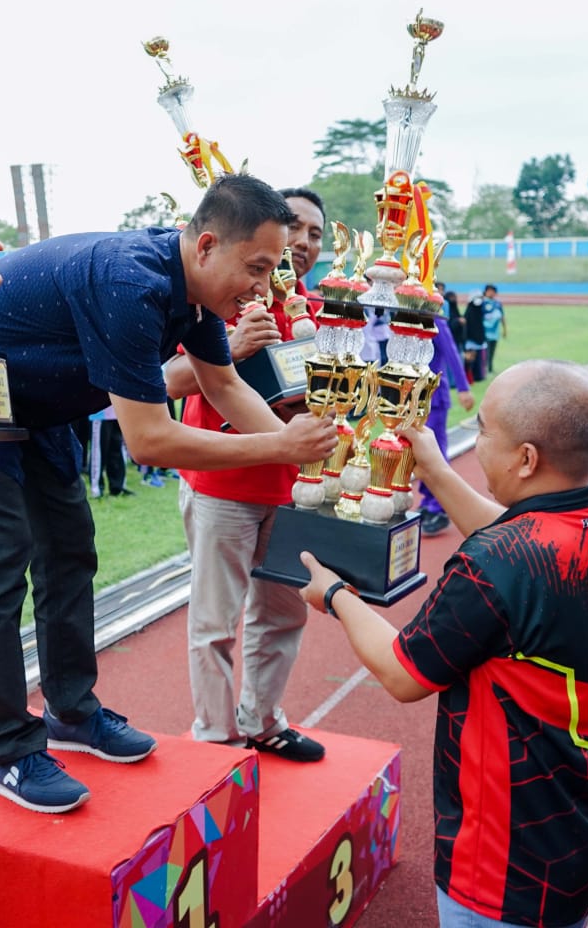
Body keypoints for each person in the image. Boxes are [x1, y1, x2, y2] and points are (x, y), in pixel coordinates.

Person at [0, 174, 336, 814]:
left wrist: (305, 454)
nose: (264, 287)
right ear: (205, 247)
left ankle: (72, 712)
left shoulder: (193, 297)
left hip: (35, 408)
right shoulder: (132, 282)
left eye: (272, 269)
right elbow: (149, 440)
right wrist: (282, 447)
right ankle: (6, 748)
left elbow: (223, 388)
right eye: (256, 267)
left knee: (70, 553)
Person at [298, 359, 588, 928]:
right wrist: (434, 467)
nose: (474, 441)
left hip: (501, 860)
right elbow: (514, 532)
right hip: (581, 824)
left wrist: (334, 592)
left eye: (482, 431)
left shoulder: (493, 566)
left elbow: (403, 672)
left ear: (526, 459)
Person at [163, 186, 328, 762]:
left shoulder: (319, 314)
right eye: (296, 230)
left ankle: (262, 719)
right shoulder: (219, 292)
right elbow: (165, 381)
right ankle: (213, 733)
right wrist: (228, 347)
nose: (303, 244)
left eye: (315, 235)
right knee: (215, 618)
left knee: (282, 613)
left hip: (291, 488)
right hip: (223, 486)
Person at [416, 288, 474, 536]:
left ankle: (439, 507)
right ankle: (428, 501)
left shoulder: (436, 321)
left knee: (437, 452)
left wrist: (463, 388)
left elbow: (452, 354)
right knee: (420, 452)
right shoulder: (410, 320)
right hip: (415, 398)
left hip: (435, 399)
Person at [481, 283, 507, 370]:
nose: (491, 293)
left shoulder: (497, 303)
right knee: (486, 352)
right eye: (489, 291)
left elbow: (502, 317)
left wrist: (505, 330)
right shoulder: (482, 303)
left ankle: (490, 368)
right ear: (486, 292)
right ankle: (484, 369)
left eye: (493, 291)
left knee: (492, 352)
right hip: (485, 332)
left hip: (495, 333)